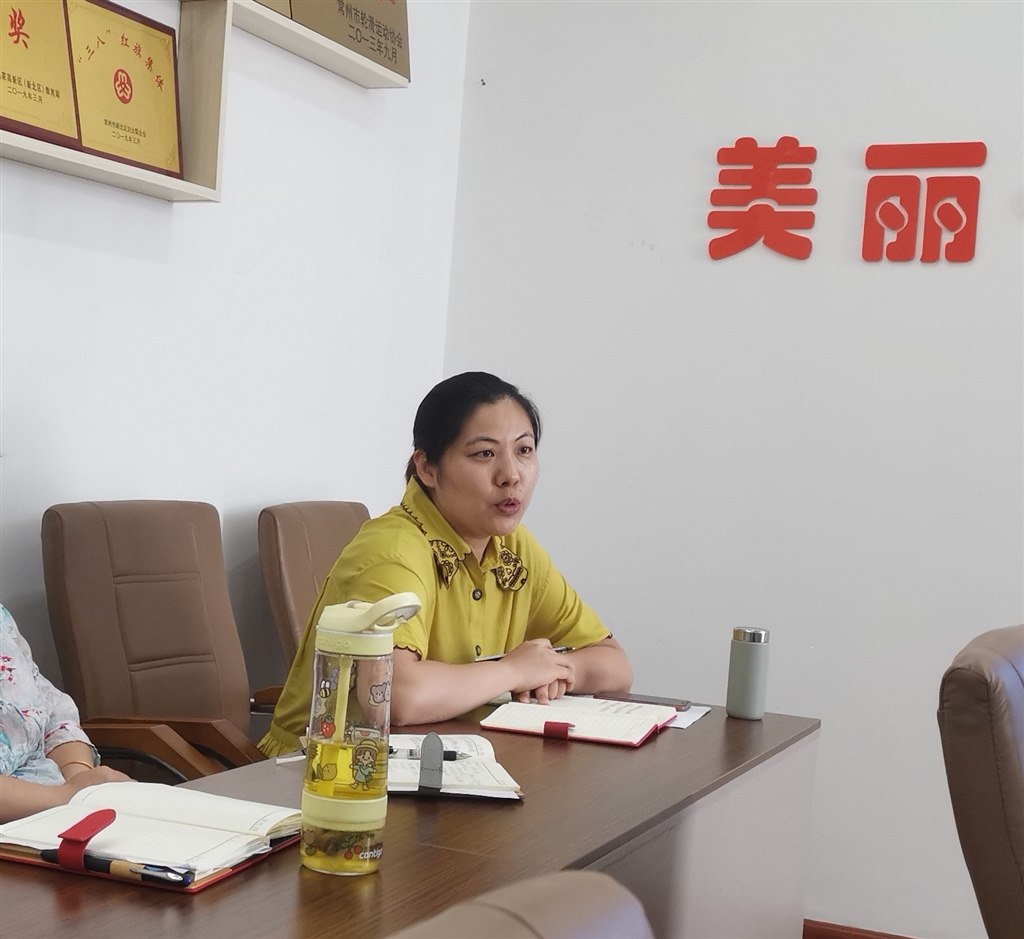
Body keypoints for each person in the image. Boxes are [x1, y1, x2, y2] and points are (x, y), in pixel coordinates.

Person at [260, 372, 632, 755]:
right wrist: (514, 671)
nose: (511, 476)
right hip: (315, 770)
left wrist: (556, 670)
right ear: (427, 468)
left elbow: (615, 666)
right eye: (484, 454)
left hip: (443, 757)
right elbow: (395, 696)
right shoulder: (395, 549)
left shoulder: (513, 547)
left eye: (524, 450)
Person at [0, 604, 129, 822]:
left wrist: (81, 778)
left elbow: (52, 708)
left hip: (63, 805)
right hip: (21, 822)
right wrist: (66, 795)